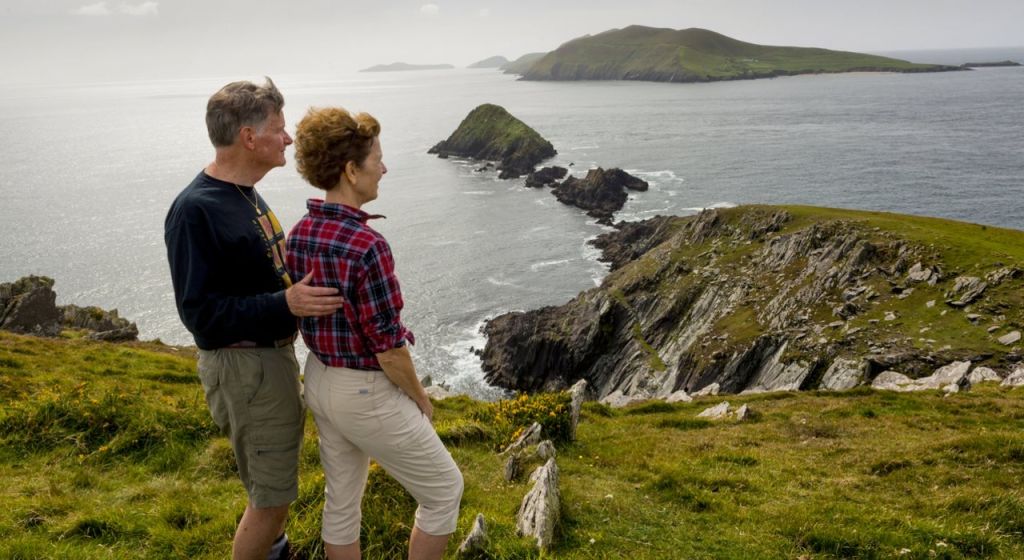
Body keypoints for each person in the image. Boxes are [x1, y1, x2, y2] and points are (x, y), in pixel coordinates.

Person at [164, 77, 346, 560]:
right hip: (246, 370)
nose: (288, 139)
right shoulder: (195, 211)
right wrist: (284, 305)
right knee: (271, 499)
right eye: (280, 129)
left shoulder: (243, 193)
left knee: (274, 491)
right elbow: (199, 314)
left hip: (268, 362)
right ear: (249, 137)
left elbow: (266, 269)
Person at [286, 106, 464, 560]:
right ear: (351, 170)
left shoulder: (301, 231)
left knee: (341, 503)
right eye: (376, 159)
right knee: (444, 489)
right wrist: (420, 398)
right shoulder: (368, 245)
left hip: (320, 378)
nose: (383, 168)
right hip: (364, 391)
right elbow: (386, 345)